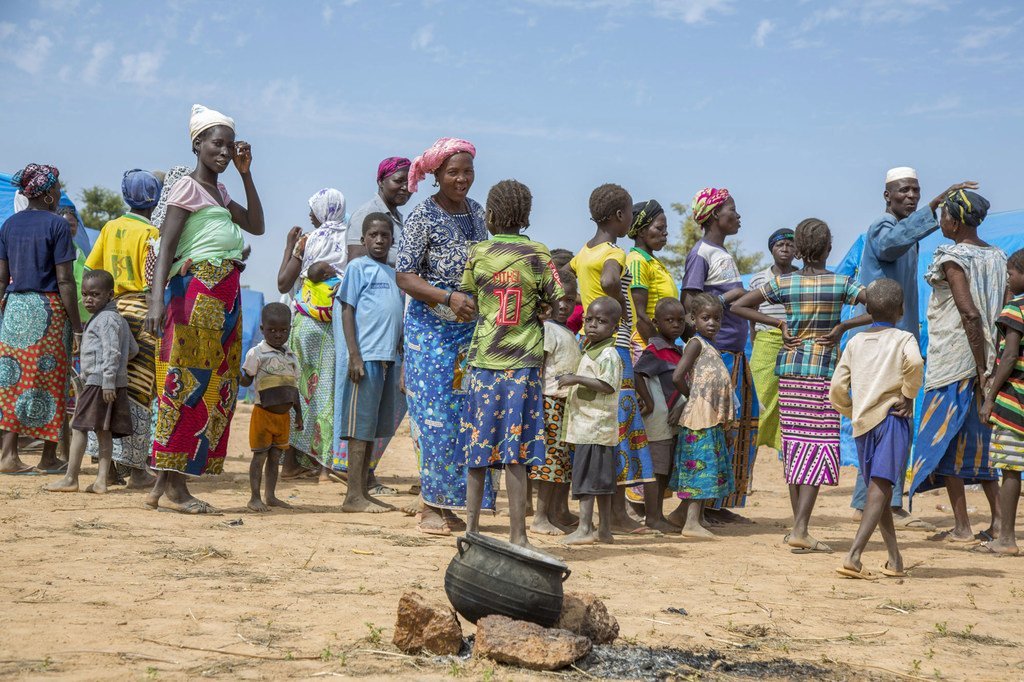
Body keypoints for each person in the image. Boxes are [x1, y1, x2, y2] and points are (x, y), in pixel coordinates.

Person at [144, 103, 265, 514]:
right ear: (197, 144)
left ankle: (164, 482)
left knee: (211, 385)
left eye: (230, 146)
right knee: (188, 384)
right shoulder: (185, 189)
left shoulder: (222, 192)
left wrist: (247, 174)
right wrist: (156, 300)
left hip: (223, 298)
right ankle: (177, 490)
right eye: (218, 144)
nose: (226, 153)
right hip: (196, 297)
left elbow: (257, 225)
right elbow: (166, 248)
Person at [848, 167, 978, 527]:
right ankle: (874, 504)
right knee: (882, 420)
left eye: (917, 191)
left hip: (899, 340)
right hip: (879, 343)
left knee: (894, 420)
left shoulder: (909, 233)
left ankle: (879, 502)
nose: (911, 196)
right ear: (887, 195)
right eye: (904, 191)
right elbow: (891, 244)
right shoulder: (882, 228)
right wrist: (934, 205)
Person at [731, 219, 869, 553]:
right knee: (818, 447)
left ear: (800, 250)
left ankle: (798, 526)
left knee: (794, 447)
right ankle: (801, 528)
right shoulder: (841, 283)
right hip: (822, 373)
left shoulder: (785, 283)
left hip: (790, 371)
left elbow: (738, 305)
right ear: (828, 248)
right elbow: (883, 306)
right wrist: (842, 326)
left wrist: (778, 322)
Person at [397, 137, 494, 535]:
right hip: (431, 332)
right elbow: (404, 275)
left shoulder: (476, 213)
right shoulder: (423, 216)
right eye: (453, 171)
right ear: (436, 175)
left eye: (467, 171)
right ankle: (428, 506)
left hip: (469, 332)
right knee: (433, 417)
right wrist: (447, 297)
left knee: (465, 418)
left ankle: (452, 504)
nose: (462, 178)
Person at [460, 180, 563, 547]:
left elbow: (467, 298)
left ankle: (471, 532)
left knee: (478, 450)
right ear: (527, 216)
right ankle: (518, 535)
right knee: (516, 453)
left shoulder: (479, 252)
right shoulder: (539, 253)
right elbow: (558, 299)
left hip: (485, 362)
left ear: (488, 215)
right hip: (524, 366)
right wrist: (542, 307)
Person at [910, 190, 1005, 542]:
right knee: (982, 444)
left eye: (944, 216)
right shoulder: (997, 256)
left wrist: (979, 366)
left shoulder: (952, 257)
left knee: (948, 442)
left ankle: (963, 526)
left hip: (957, 362)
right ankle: (997, 522)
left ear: (955, 220)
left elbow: (969, 314)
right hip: (989, 361)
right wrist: (991, 367)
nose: (940, 222)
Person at [569, 183, 660, 534]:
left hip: (587, 342)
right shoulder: (614, 253)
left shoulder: (581, 253)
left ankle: (612, 513)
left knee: (598, 423)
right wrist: (619, 310)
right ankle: (617, 515)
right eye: (631, 215)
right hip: (616, 341)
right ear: (620, 217)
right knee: (617, 426)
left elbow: (579, 286)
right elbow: (609, 280)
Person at [831, 279, 923, 579]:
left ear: (867, 309)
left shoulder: (855, 342)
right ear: (901, 310)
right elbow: (916, 363)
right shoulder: (903, 338)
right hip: (891, 418)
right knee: (881, 487)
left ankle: (895, 559)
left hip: (862, 425)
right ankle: (855, 555)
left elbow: (837, 387)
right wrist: (908, 395)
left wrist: (850, 410)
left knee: (878, 489)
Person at [680, 187, 757, 523]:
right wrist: (730, 300)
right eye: (732, 210)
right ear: (713, 216)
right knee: (717, 426)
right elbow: (690, 304)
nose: (738, 216)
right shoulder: (701, 254)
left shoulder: (720, 254)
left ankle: (717, 503)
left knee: (738, 426)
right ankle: (702, 506)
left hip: (734, 352)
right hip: (718, 355)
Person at [0, 164, 82, 474]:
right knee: (52, 381)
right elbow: (65, 281)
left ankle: (8, 455)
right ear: (47, 195)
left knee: (12, 380)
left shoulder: (8, 226)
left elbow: (1, 277)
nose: (61, 192)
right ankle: (48, 457)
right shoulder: (57, 226)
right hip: (48, 309)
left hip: (15, 309)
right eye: (58, 188)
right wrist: (76, 327)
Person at [83, 168, 162, 488]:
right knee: (139, 391)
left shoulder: (111, 226)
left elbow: (91, 268)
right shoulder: (152, 234)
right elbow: (154, 281)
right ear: (155, 200)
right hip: (142, 314)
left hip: (110, 312)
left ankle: (109, 466)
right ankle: (137, 469)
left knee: (108, 384)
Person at [44, 270, 138, 494]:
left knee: (78, 427)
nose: (88, 299)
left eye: (95, 294)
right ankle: (101, 481)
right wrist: (116, 375)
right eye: (85, 294)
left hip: (99, 384)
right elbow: (131, 350)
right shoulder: (117, 319)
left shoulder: (104, 319)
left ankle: (70, 478)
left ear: (110, 295)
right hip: (111, 383)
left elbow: (113, 351)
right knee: (102, 431)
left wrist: (106, 381)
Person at [276, 188, 348, 481]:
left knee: (301, 394)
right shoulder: (351, 238)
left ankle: (292, 462)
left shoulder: (309, 240)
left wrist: (289, 247)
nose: (309, 215)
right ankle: (326, 462)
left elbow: (283, 283)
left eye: (313, 209)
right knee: (329, 394)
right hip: (337, 325)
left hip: (306, 324)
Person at [337, 213, 404, 513]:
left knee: (374, 427)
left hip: (388, 359)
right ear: (363, 239)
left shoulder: (393, 274)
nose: (379, 240)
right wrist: (354, 355)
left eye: (384, 235)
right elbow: (347, 311)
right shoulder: (356, 268)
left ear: (392, 240)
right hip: (366, 359)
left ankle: (363, 490)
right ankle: (352, 496)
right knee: (359, 428)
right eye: (373, 235)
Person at [669, 293, 736, 538]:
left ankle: (682, 515)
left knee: (709, 464)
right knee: (701, 468)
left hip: (710, 416)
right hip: (700, 417)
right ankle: (691, 524)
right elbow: (678, 376)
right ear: (693, 319)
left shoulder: (711, 346)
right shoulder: (696, 343)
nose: (712, 323)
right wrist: (694, 397)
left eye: (717, 318)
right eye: (705, 318)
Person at [559, 296, 623, 545]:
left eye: (602, 321)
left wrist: (576, 379)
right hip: (589, 428)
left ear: (614, 328)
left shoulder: (608, 354)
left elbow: (607, 385)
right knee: (600, 482)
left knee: (587, 481)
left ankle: (586, 528)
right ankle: (604, 530)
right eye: (589, 320)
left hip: (595, 428)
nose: (593, 325)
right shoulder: (590, 349)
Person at [978, 249, 1024, 555]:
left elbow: (1009, 355)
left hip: (1014, 401)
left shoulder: (1016, 308)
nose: (1008, 278)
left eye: (1010, 273)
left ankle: (1006, 538)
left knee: (1010, 468)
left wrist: (990, 395)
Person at [530, 271, 583, 536]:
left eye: (570, 300)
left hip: (562, 405)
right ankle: (540, 517)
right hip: (549, 402)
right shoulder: (547, 330)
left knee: (558, 465)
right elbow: (538, 366)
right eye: (558, 299)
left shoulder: (565, 331)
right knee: (548, 464)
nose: (564, 305)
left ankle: (550, 515)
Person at [239, 303, 301, 512]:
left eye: (283, 330)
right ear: (262, 329)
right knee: (260, 456)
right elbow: (247, 380)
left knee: (275, 457)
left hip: (283, 417)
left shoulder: (291, 356)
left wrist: (299, 415)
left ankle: (271, 496)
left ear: (289, 329)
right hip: (263, 414)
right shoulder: (257, 353)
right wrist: (235, 374)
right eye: (272, 330)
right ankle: (254, 498)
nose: (277, 335)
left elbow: (294, 389)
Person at [634, 298, 687, 527]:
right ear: (656, 322)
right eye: (669, 320)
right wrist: (649, 403)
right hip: (658, 420)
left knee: (664, 469)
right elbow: (637, 374)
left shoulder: (676, 349)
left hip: (671, 418)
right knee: (656, 470)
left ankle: (658, 515)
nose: (676, 325)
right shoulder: (655, 349)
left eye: (680, 320)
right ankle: (653, 517)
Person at [747, 228, 797, 452]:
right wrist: (757, 342)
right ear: (772, 250)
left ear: (797, 250)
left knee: (790, 402)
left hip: (794, 345)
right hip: (765, 345)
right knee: (759, 399)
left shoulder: (802, 277)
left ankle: (784, 455)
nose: (785, 249)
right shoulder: (759, 279)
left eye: (790, 245)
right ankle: (751, 457)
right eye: (780, 245)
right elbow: (751, 315)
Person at [626, 199, 678, 359]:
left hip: (659, 344)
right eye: (659, 228)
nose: (665, 233)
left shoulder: (652, 261)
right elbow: (641, 317)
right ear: (641, 231)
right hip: (647, 349)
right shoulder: (637, 261)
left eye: (666, 228)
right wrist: (662, 353)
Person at [347, 157, 412, 265]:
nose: (406, 187)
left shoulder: (397, 218)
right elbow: (357, 261)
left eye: (410, 183)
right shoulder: (366, 214)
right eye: (398, 181)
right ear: (381, 182)